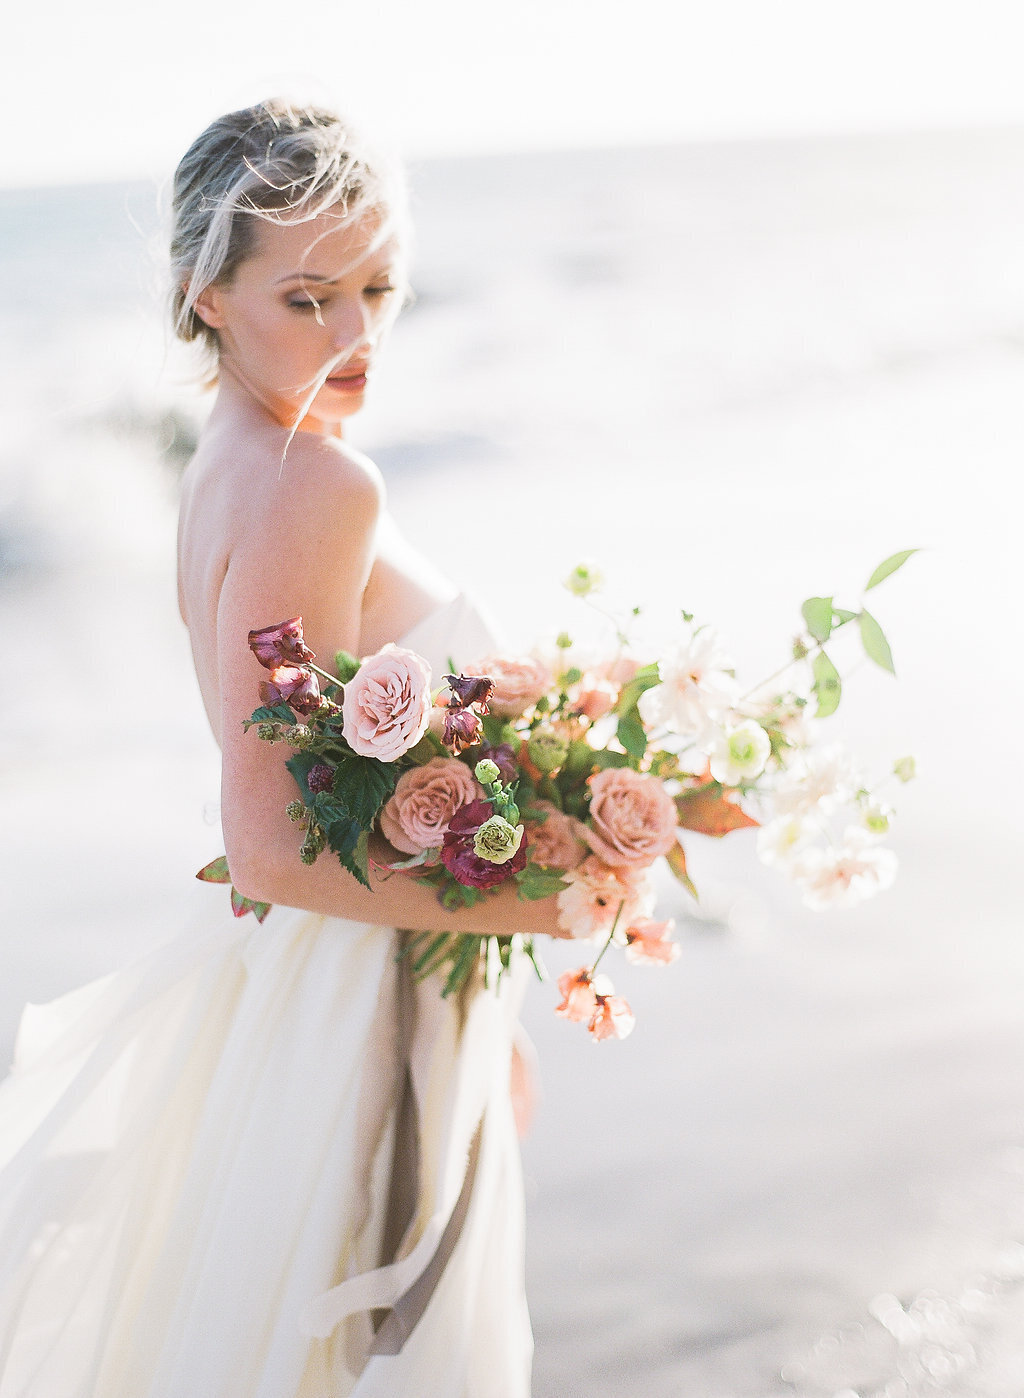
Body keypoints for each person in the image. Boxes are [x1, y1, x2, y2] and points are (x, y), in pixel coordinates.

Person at [0, 99, 567, 1397]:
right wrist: (545, 896)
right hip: (351, 1003)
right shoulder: (322, 483)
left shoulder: (234, 457)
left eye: (380, 284)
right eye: (311, 296)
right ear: (207, 293)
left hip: (357, 987)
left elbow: (308, 805)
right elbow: (265, 841)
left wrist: (483, 1007)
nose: (361, 331)